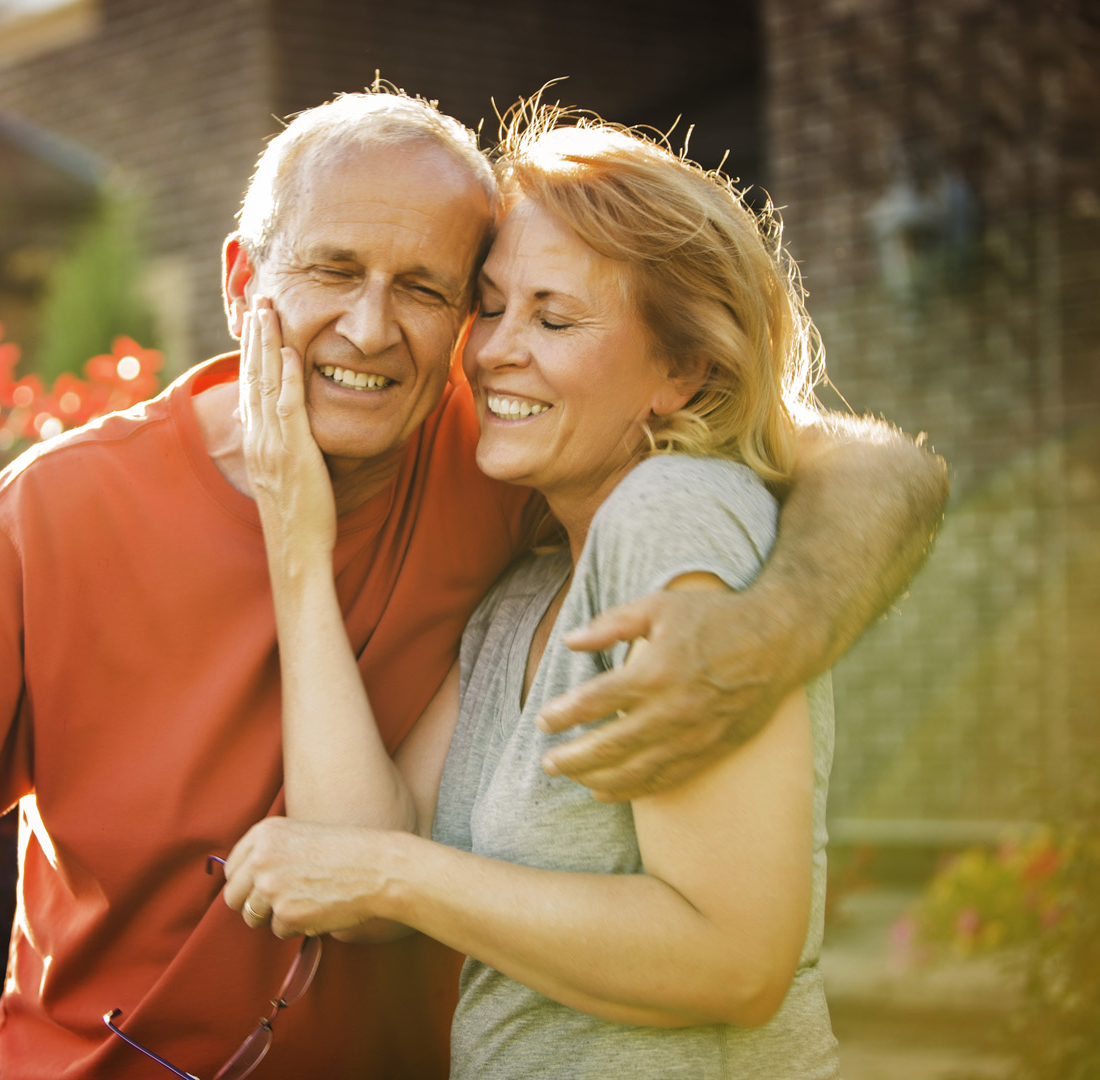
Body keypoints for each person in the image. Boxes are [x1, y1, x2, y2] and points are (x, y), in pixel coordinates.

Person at [0, 89, 946, 1080]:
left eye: (432, 291)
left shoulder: (515, 450)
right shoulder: (62, 509)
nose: (375, 330)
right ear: (241, 282)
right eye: (332, 272)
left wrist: (767, 625)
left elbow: (849, 462)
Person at [221, 111, 858, 1077]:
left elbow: (734, 961)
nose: (491, 354)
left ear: (680, 372)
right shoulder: (527, 590)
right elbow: (353, 854)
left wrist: (397, 876)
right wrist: (298, 540)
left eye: (554, 320)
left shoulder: (673, 514)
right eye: (491, 306)